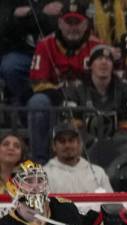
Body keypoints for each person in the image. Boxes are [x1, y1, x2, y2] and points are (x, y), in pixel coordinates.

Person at [27, 0, 102, 163]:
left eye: (77, 22)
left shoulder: (97, 46)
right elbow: (37, 83)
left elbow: (103, 82)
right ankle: (39, 161)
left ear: (86, 24)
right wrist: (64, 95)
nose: (72, 27)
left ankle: (95, 159)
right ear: (60, 23)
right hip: (55, 99)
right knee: (37, 102)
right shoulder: (45, 44)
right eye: (68, 22)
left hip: (86, 101)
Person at [63, 44, 127, 141]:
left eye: (108, 60)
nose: (104, 63)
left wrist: (112, 142)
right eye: (99, 58)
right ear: (90, 65)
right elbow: (71, 125)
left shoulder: (125, 88)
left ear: (112, 66)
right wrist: (91, 141)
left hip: (118, 144)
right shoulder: (75, 89)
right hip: (84, 145)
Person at [44, 123, 113, 193]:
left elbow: (111, 202)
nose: (67, 145)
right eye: (62, 141)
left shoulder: (98, 173)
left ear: (79, 144)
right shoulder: (44, 175)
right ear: (54, 146)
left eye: (71, 140)